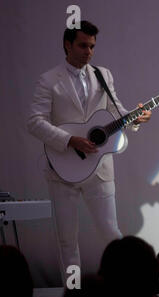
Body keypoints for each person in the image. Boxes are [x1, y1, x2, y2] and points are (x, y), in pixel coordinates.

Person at [27, 21, 151, 282]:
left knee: (111, 235)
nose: (89, 52)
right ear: (67, 44)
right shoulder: (49, 80)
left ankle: (125, 290)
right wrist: (70, 140)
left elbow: (117, 112)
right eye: (83, 45)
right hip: (62, 168)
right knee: (67, 241)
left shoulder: (103, 74)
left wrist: (136, 117)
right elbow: (35, 122)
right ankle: (72, 295)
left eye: (92, 46)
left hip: (99, 169)